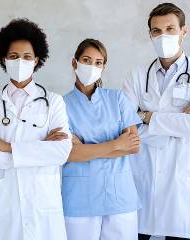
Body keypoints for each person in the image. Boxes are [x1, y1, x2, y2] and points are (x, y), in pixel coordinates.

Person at [0, 18, 72, 240]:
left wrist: (6, 146)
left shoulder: (54, 102)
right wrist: (40, 150)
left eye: (27, 57)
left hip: (42, 202)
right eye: (14, 56)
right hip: (4, 201)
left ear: (37, 60)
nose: (21, 61)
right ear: (3, 59)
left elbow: (61, 152)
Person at [62, 39, 141, 240]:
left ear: (103, 67)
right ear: (74, 63)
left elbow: (133, 145)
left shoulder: (117, 99)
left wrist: (86, 147)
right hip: (80, 198)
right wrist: (116, 144)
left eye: (98, 62)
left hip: (120, 197)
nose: (92, 66)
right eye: (86, 60)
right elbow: (70, 153)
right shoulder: (61, 105)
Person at [122, 3, 190, 239]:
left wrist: (147, 116)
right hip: (143, 174)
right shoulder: (137, 74)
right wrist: (177, 123)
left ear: (184, 31)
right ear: (150, 34)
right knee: (138, 232)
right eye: (156, 31)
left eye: (170, 29)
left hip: (180, 179)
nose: (163, 36)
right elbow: (126, 128)